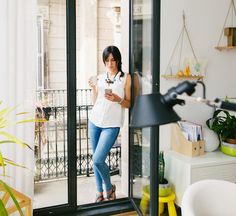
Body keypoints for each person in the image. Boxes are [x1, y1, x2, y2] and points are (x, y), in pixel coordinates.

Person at [88, 45, 131, 202]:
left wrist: (118, 99)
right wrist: (93, 88)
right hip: (94, 121)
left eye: (113, 60)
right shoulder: (100, 77)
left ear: (118, 60)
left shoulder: (126, 78)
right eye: (107, 60)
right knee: (96, 159)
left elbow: (129, 103)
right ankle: (99, 192)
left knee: (98, 159)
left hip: (111, 125)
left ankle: (109, 188)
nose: (110, 63)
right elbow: (95, 102)